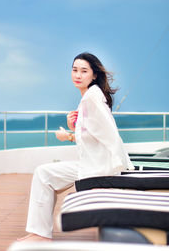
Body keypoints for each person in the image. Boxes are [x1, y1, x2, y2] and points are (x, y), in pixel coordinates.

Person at [18, 52, 134, 242]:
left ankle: (40, 235)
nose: (78, 75)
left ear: (94, 75)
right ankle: (39, 234)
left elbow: (111, 135)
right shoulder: (92, 96)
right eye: (74, 70)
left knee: (43, 174)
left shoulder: (91, 99)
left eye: (83, 71)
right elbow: (96, 135)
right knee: (44, 174)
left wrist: (117, 168)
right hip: (94, 165)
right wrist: (74, 130)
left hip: (99, 169)